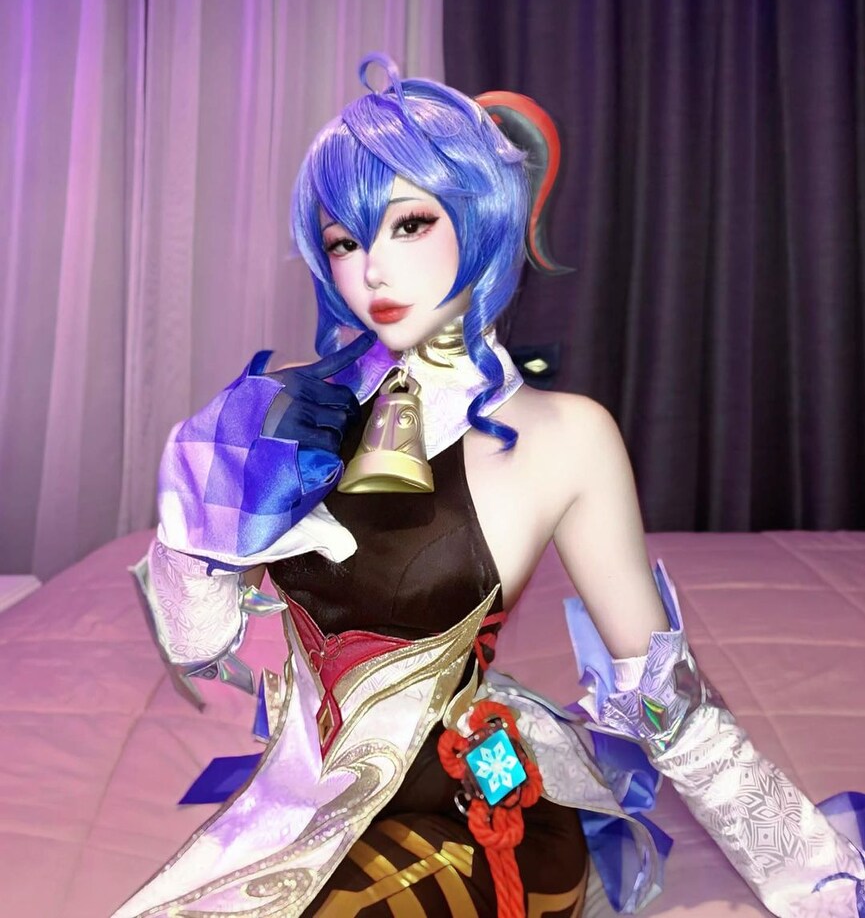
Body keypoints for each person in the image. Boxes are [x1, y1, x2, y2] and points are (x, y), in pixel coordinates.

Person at [115, 55, 864, 918]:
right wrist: (203, 510)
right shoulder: (290, 412)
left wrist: (818, 882)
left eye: (408, 224)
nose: (373, 270)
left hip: (479, 811)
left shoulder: (566, 436)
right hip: (307, 810)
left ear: (481, 216)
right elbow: (201, 646)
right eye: (345, 241)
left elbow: (665, 697)